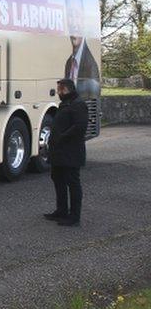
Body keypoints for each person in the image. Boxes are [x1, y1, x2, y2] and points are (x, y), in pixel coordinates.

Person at [44, 78, 89, 227]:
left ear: (67, 89)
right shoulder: (65, 104)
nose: (58, 93)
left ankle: (74, 216)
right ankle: (61, 210)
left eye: (60, 90)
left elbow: (80, 126)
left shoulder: (78, 104)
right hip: (59, 151)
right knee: (58, 179)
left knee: (72, 182)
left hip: (71, 151)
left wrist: (62, 137)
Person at [63, 0, 100, 97]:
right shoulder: (70, 63)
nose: (73, 23)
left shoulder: (91, 68)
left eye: (77, 15)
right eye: (70, 15)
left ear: (84, 18)